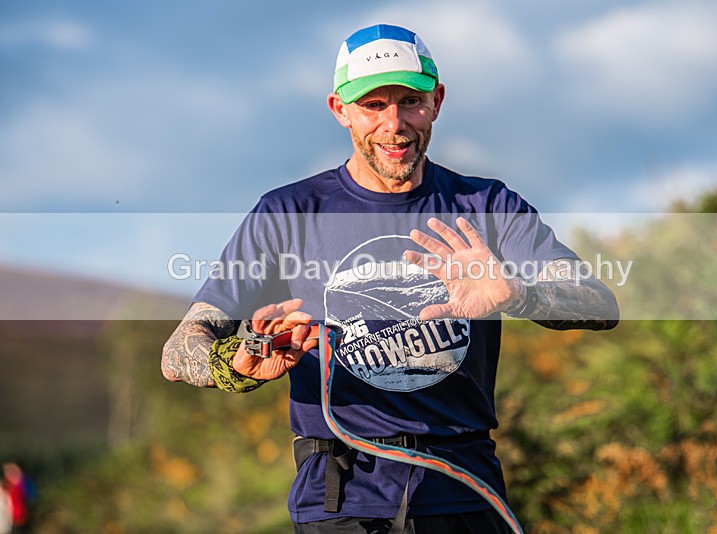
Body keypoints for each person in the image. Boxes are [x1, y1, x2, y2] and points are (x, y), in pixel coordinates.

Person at [162, 23, 619, 533]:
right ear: (340, 110)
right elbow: (181, 349)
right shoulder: (287, 213)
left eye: (410, 102)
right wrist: (238, 362)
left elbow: (598, 302)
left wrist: (518, 293)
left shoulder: (487, 206)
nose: (394, 124)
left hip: (466, 492)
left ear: (437, 100)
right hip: (341, 502)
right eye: (373, 106)